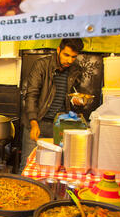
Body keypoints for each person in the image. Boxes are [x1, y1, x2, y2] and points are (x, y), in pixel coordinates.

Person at [19, 38, 90, 173]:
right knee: (28, 166)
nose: (69, 60)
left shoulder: (75, 70)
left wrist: (76, 102)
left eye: (73, 57)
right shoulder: (42, 65)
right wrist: (33, 123)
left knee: (55, 168)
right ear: (58, 50)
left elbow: (71, 99)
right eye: (66, 55)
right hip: (37, 123)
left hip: (60, 126)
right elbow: (31, 95)